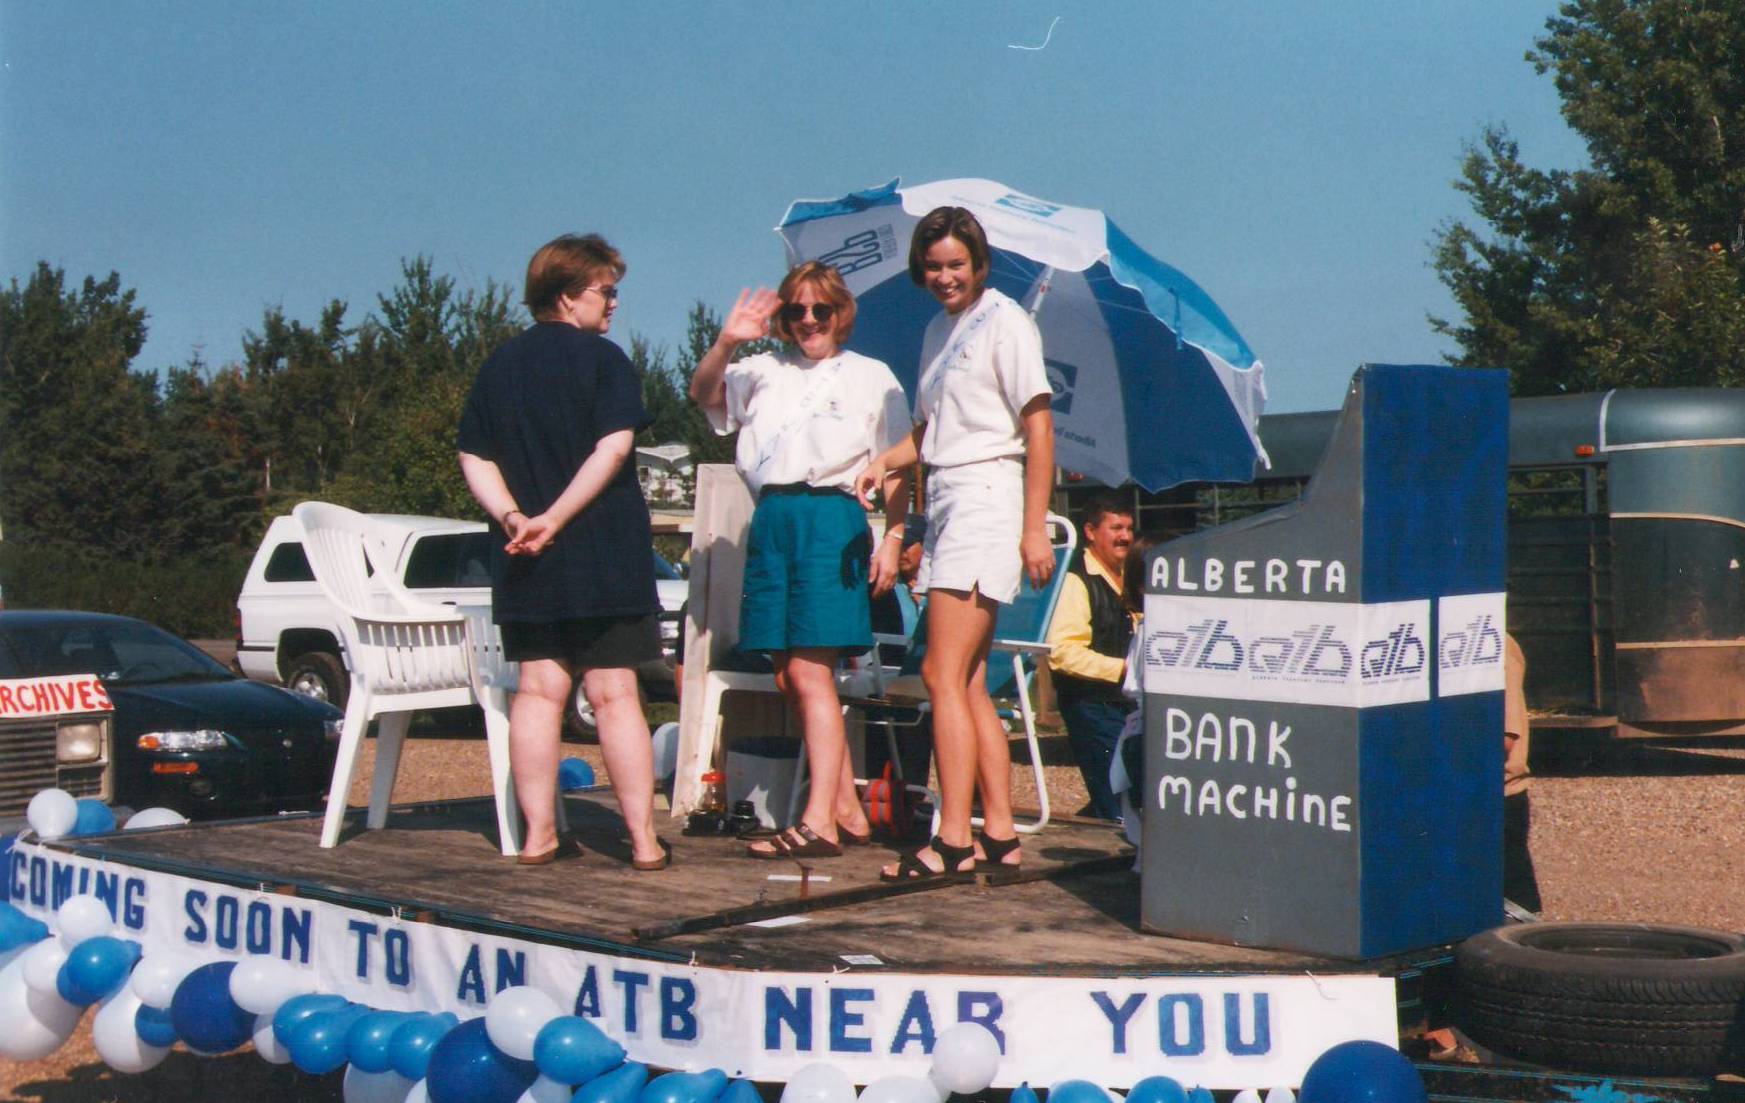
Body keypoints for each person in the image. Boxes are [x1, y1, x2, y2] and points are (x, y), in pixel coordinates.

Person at [456, 233, 668, 871]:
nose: (613, 305)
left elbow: (474, 455)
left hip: (525, 552)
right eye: (606, 291)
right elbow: (613, 450)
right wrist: (556, 517)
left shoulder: (499, 365)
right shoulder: (606, 361)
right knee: (615, 693)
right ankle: (644, 841)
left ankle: (539, 835)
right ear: (569, 294)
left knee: (538, 691)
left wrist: (515, 517)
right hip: (602, 545)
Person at [856, 206, 1055, 880]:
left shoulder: (1005, 321)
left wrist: (1033, 526)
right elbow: (928, 431)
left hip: (985, 497)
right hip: (945, 497)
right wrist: (883, 462)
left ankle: (950, 837)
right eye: (934, 264)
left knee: (940, 674)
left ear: (978, 264)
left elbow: (1037, 428)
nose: (944, 275)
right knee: (966, 678)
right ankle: (997, 831)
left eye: (955, 264)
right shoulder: (938, 333)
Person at [690, 261, 913, 858]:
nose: (810, 320)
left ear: (841, 312)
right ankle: (846, 810)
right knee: (788, 673)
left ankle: (817, 823)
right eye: (797, 311)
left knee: (813, 673)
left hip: (830, 517)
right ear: (784, 319)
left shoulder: (873, 377)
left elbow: (897, 467)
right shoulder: (761, 369)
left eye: (822, 309)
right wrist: (727, 340)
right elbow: (703, 395)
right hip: (772, 518)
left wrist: (892, 538)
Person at [1046, 493, 1139, 820]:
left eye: (1128, 527)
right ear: (1090, 531)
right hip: (1092, 704)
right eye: (1115, 528)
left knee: (1131, 794)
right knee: (1118, 801)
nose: (1125, 536)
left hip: (1127, 704)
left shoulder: (1131, 574)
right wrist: (1126, 669)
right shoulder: (1075, 579)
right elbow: (1061, 653)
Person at [1503, 632, 1541, 913]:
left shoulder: (1499, 647)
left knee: (1516, 906)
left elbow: (1505, 738)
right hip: (1473, 791)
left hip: (1502, 792)